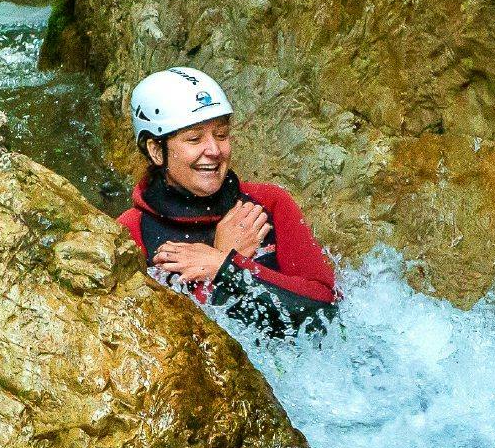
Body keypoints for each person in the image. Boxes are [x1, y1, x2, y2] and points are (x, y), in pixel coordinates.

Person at [119, 68, 337, 336]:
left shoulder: (270, 202)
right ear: (156, 151)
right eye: (194, 139)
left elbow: (328, 311)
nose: (214, 150)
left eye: (221, 135)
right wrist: (219, 272)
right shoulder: (131, 231)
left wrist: (226, 266)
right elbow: (155, 343)